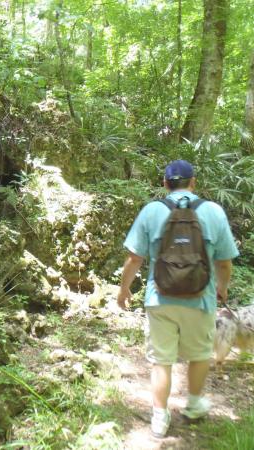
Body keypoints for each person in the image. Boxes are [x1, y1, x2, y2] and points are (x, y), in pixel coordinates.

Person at [117, 160, 239, 438]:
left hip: (160, 299)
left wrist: (123, 289)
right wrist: (222, 287)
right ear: (193, 182)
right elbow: (224, 262)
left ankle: (160, 418)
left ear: (165, 183)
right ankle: (194, 405)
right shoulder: (213, 211)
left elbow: (134, 258)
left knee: (162, 360)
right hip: (201, 299)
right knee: (198, 355)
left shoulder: (152, 211)